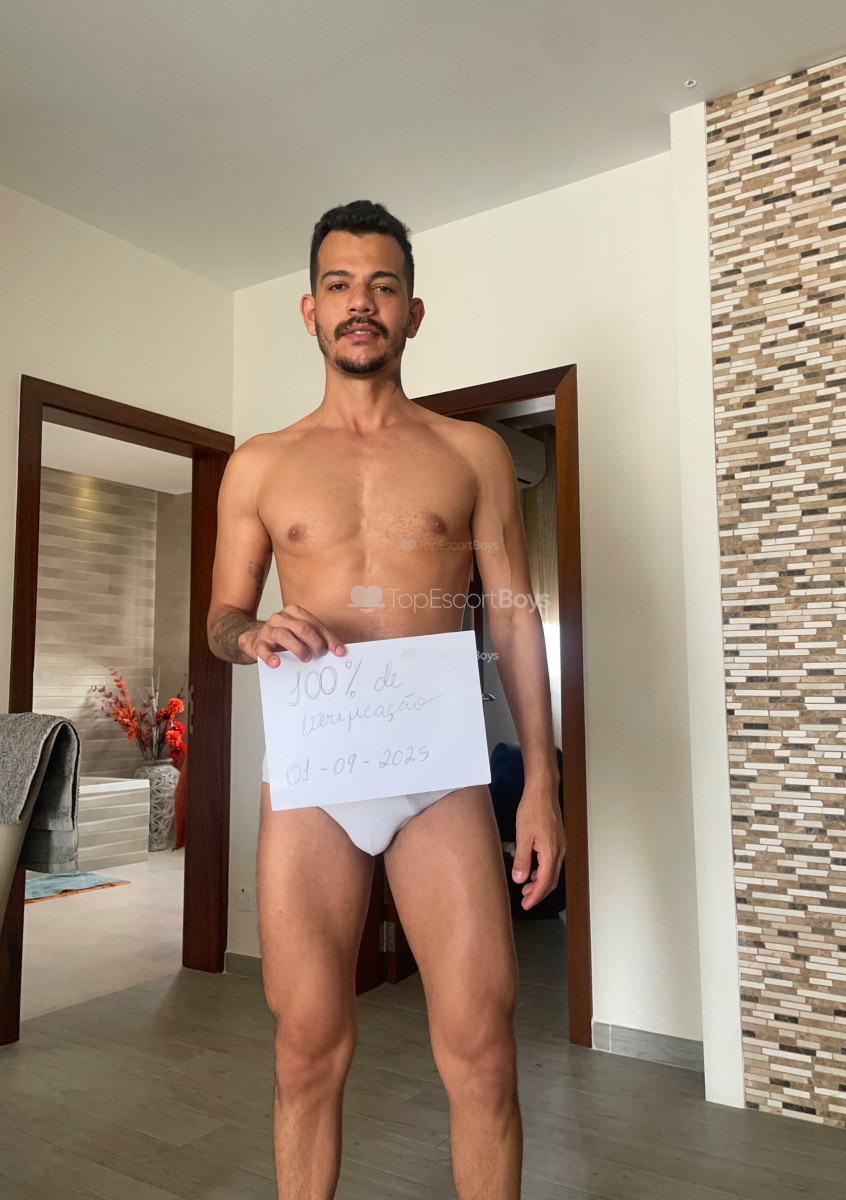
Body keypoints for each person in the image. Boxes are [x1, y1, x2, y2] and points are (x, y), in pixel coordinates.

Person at [206, 200, 565, 1200]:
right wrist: (251, 633)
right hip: (315, 772)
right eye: (339, 284)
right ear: (309, 311)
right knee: (305, 1052)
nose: (359, 302)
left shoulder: (472, 453)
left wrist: (542, 785)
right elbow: (223, 618)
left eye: (382, 285)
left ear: (413, 312)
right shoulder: (261, 464)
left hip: (438, 772)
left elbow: (513, 621)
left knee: (483, 1054)